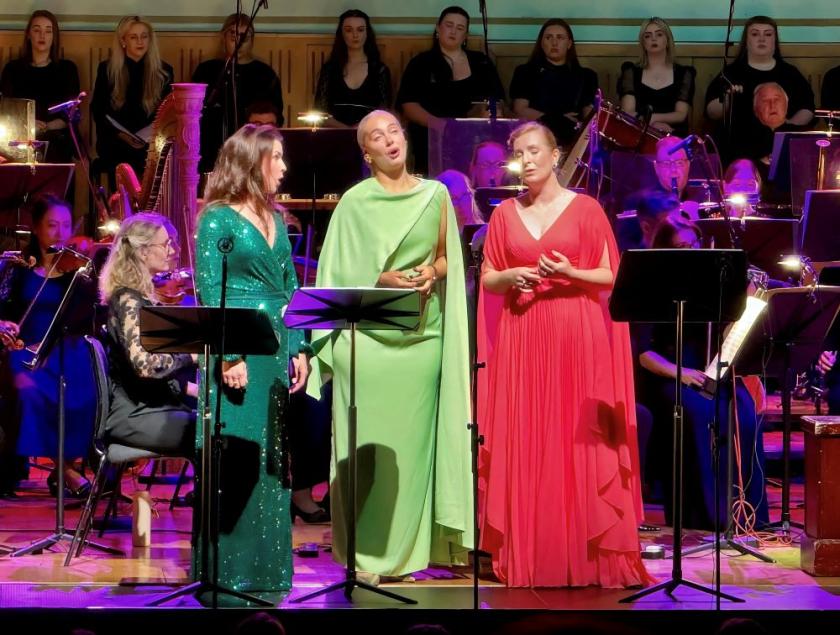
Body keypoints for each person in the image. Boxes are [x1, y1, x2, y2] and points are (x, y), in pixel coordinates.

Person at [478, 121, 651, 587]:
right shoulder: (504, 214)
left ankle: (585, 555)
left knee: (578, 438)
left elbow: (611, 276)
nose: (527, 159)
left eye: (535, 150)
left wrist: (571, 272)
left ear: (556, 156)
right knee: (530, 437)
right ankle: (536, 554)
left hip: (576, 333)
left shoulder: (587, 209)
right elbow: (489, 277)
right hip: (524, 334)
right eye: (520, 153)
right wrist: (512, 276)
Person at [308, 110, 472, 583]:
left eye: (394, 131)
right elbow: (335, 272)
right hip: (366, 344)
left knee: (411, 455)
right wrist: (380, 278)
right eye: (377, 137)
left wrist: (430, 273)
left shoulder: (435, 195)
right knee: (365, 450)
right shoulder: (354, 202)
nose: (389, 140)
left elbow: (447, 257)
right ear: (367, 153)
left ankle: (405, 557)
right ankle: (364, 556)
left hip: (420, 340)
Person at [194, 124, 309, 593]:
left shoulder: (275, 218)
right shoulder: (216, 219)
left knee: (271, 459)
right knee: (236, 459)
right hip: (237, 350)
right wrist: (227, 355)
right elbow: (209, 287)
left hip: (274, 349)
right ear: (251, 161)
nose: (283, 166)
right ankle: (226, 575)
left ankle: (267, 574)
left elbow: (290, 286)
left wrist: (299, 347)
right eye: (275, 157)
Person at [639, 215, 768, 530]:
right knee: (699, 413)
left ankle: (747, 514)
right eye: (681, 247)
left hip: (709, 373)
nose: (690, 251)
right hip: (668, 375)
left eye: (694, 244)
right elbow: (643, 354)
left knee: (744, 410)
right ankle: (709, 518)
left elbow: (725, 336)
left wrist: (746, 304)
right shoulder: (651, 284)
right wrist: (680, 372)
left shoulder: (711, 282)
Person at [0, 195, 96, 498]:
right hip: (23, 351)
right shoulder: (18, 269)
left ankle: (66, 468)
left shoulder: (77, 273)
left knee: (86, 393)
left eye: (66, 225)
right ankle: (66, 472)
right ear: (36, 228)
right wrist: (3, 325)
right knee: (29, 392)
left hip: (66, 351)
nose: (60, 233)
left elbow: (88, 318)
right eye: (52, 225)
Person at [98, 214, 196, 457]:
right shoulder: (129, 300)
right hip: (135, 414)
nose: (173, 250)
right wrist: (192, 357)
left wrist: (197, 390)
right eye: (166, 244)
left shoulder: (140, 298)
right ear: (143, 252)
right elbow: (145, 367)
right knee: (217, 436)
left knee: (221, 426)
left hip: (153, 406)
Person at [396, 6, 505, 173]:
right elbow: (408, 105)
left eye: (460, 28)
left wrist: (488, 113)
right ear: (438, 28)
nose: (453, 31)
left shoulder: (481, 62)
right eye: (449, 25)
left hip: (473, 139)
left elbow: (497, 99)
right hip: (431, 139)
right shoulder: (421, 62)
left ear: (465, 35)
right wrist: (441, 126)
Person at [705, 15, 814, 165]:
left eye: (768, 34)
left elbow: (807, 107)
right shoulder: (731, 74)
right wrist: (728, 99)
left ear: (775, 41)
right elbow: (711, 112)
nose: (761, 39)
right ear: (746, 41)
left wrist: (787, 128)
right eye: (755, 34)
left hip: (781, 148)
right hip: (740, 150)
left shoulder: (790, 73)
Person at [192, 13, 285, 173]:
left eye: (245, 36)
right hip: (211, 151)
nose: (238, 41)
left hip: (253, 152)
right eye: (233, 34)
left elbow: (276, 117)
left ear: (252, 40)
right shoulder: (206, 70)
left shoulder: (265, 74)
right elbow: (195, 113)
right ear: (223, 37)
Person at [91, 16, 173, 187]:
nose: (140, 42)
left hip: (151, 142)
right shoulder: (107, 70)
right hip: (117, 140)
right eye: (133, 37)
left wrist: (149, 137)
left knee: (157, 156)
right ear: (123, 41)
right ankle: (121, 200)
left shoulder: (164, 72)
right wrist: (123, 135)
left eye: (144, 36)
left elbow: (168, 112)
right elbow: (98, 109)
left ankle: (149, 203)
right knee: (119, 157)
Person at [0, 10, 80, 163]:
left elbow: (70, 113)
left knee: (56, 148)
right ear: (28, 35)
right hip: (20, 136)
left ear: (54, 36)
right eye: (37, 30)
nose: (42, 35)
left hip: (56, 135)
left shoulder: (67, 69)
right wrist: (29, 125)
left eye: (48, 31)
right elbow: (6, 109)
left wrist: (47, 126)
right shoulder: (13, 69)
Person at [510, 19, 598, 147]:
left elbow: (589, 116)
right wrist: (556, 119)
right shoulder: (525, 72)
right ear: (541, 43)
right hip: (536, 137)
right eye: (548, 37)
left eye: (560, 37)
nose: (554, 42)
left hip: (574, 141)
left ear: (569, 44)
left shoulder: (587, 76)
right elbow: (520, 109)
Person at [618, 17, 696, 137]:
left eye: (659, 34)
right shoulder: (631, 71)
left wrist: (652, 119)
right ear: (643, 43)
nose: (653, 39)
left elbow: (680, 114)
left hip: (673, 136)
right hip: (639, 134)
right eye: (647, 36)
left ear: (668, 40)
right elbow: (628, 113)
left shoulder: (684, 73)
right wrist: (651, 125)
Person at [314, 9, 392, 128]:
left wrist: (360, 130)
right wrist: (346, 130)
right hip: (334, 132)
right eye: (349, 30)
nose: (355, 35)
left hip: (369, 133)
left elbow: (383, 111)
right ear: (341, 34)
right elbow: (320, 112)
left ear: (367, 33)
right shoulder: (329, 69)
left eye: (360, 30)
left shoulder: (380, 70)